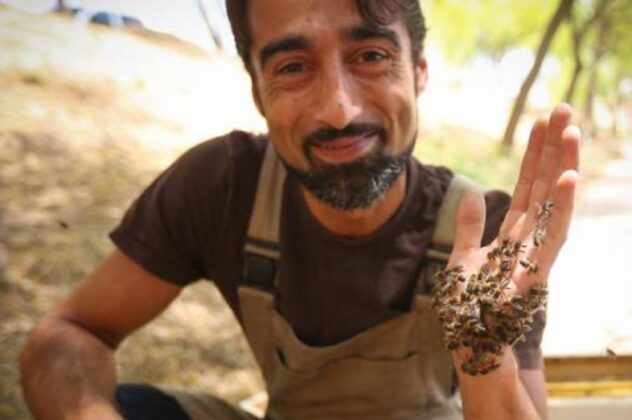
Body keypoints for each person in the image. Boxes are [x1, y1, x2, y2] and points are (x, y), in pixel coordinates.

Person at [19, 0, 580, 419]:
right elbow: (69, 332)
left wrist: (483, 355)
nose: (338, 109)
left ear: (419, 73)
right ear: (258, 93)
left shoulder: (488, 234)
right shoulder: (221, 185)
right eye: (292, 67)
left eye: (371, 56)